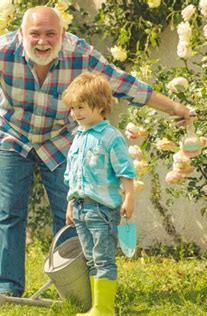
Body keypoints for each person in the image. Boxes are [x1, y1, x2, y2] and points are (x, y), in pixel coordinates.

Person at [0, 6, 190, 298]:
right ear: (21, 34)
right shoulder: (3, 51)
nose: (42, 41)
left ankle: (75, 288)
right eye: (35, 34)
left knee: (74, 211)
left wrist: (174, 108)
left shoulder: (80, 54)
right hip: (11, 134)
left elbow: (124, 84)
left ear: (62, 34)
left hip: (60, 140)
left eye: (51, 34)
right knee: (10, 210)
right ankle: (6, 289)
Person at [63, 72, 134, 315]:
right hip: (81, 208)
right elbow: (73, 175)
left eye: (81, 107)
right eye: (72, 108)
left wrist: (129, 196)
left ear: (100, 105)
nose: (76, 113)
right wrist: (71, 204)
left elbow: (124, 169)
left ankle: (103, 309)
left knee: (103, 259)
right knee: (91, 259)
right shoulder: (78, 137)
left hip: (102, 209)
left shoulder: (110, 137)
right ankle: (97, 307)